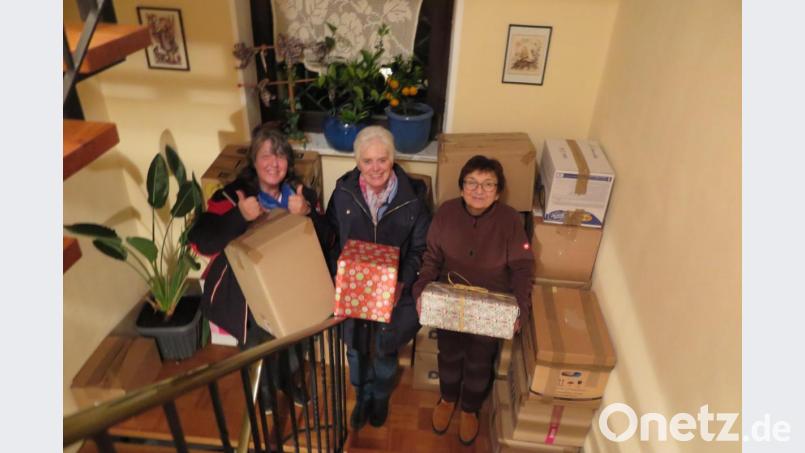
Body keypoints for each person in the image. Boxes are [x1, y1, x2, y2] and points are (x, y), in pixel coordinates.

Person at [188, 124, 330, 406]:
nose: (273, 163)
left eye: (280, 155)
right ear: (254, 161)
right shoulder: (231, 196)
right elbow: (200, 241)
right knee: (256, 350)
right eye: (266, 155)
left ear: (288, 162)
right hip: (245, 298)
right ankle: (263, 394)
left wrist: (307, 214)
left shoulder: (301, 195)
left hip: (292, 287)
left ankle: (286, 383)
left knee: (293, 344)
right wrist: (238, 216)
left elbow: (327, 239)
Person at [412, 155, 535, 446]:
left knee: (480, 361)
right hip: (450, 302)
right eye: (472, 182)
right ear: (462, 186)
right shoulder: (446, 213)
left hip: (491, 306)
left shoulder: (509, 220)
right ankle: (447, 398)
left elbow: (522, 267)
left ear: (498, 190)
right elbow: (430, 259)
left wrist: (521, 308)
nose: (479, 190)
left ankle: (469, 409)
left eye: (488, 184)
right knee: (450, 354)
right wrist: (421, 291)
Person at [326, 126, 431, 430]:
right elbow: (332, 239)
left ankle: (381, 395)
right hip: (353, 292)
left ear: (392, 159)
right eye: (368, 161)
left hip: (395, 292)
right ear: (358, 163)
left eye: (382, 160)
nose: (375, 168)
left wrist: (403, 281)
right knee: (355, 349)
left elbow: (421, 248)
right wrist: (339, 276)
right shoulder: (343, 192)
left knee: (385, 350)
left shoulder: (413, 199)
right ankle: (362, 396)